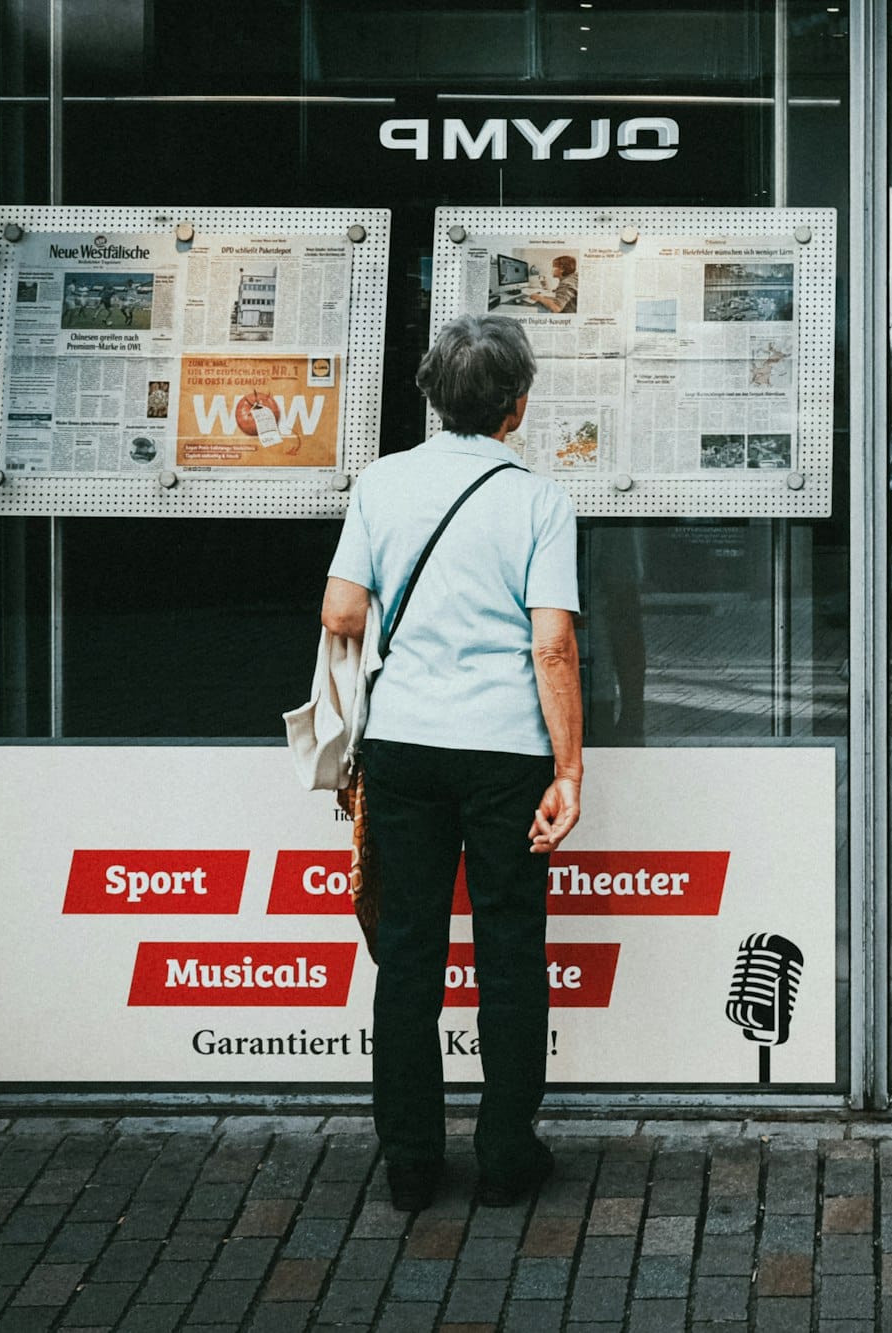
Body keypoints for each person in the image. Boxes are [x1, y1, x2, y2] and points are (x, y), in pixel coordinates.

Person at [320, 313, 584, 1213]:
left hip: (404, 746)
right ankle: (508, 1156)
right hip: (508, 753)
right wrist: (571, 772)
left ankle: (410, 1161)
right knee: (510, 949)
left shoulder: (383, 483)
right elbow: (554, 647)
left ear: (433, 395)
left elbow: (342, 613)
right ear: (518, 404)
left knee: (409, 952)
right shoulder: (540, 501)